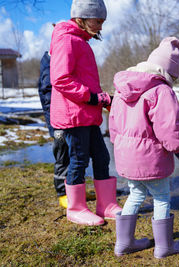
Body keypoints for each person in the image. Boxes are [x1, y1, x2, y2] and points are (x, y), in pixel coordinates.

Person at [109, 37, 179, 258]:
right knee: (161, 197)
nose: (172, 82)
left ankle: (124, 243)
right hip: (151, 158)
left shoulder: (122, 89)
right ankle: (164, 247)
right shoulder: (161, 91)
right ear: (164, 70)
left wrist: (120, 146)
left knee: (135, 194)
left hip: (126, 156)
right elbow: (168, 129)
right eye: (173, 77)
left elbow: (113, 124)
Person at [49, 0, 121, 226]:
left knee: (102, 157)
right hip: (73, 116)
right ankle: (76, 209)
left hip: (87, 114)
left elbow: (85, 80)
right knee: (78, 161)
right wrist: (93, 98)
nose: (100, 26)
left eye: (102, 22)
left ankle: (106, 205)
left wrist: (104, 99)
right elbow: (61, 79)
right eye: (97, 21)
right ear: (81, 18)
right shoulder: (67, 40)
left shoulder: (81, 41)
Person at [38, 51, 69, 209]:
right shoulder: (51, 65)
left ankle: (74, 190)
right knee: (62, 155)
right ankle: (62, 193)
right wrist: (56, 124)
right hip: (57, 121)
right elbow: (48, 98)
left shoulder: (59, 60)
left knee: (74, 155)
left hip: (66, 118)